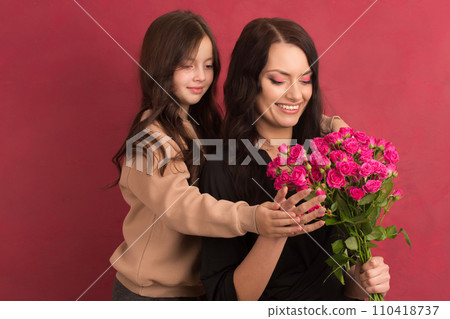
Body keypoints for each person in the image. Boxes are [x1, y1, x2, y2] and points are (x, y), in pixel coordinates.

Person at [108, 11, 337, 301]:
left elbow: (302, 115)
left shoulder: (201, 124)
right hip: (153, 296)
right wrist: (251, 218)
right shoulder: (148, 142)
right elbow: (182, 209)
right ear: (160, 68)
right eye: (187, 66)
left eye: (208, 65)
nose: (200, 76)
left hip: (200, 291)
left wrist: (338, 133)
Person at [199, 17, 390, 301]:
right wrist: (274, 232)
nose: (296, 94)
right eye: (278, 80)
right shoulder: (224, 165)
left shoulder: (329, 157)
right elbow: (226, 300)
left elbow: (338, 285)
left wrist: (362, 282)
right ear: (248, 82)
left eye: (305, 80)